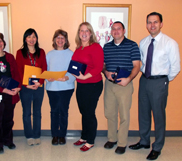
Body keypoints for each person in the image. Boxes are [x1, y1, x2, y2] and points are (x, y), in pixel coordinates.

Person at [129, 12, 180, 160]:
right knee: (143, 113)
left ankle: (157, 147)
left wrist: (163, 80)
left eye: (155, 22)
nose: (152, 25)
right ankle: (144, 141)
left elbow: (176, 67)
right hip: (144, 80)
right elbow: (142, 63)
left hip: (159, 82)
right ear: (146, 25)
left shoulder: (170, 43)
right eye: (149, 22)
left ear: (161, 24)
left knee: (158, 116)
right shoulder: (143, 42)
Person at [102, 21, 140, 154]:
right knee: (109, 113)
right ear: (111, 32)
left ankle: (122, 142)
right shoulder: (106, 47)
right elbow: (103, 65)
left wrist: (128, 79)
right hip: (109, 85)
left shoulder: (132, 45)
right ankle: (112, 139)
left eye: (119, 29)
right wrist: (106, 72)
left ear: (124, 31)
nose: (116, 31)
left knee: (124, 115)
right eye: (113, 29)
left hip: (124, 85)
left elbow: (136, 66)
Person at [72, 22, 104, 152]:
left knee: (89, 113)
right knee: (83, 112)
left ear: (90, 33)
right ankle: (84, 136)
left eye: (86, 30)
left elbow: (98, 67)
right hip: (81, 84)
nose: (84, 33)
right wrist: (74, 73)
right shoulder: (78, 48)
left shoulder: (96, 47)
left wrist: (85, 77)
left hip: (93, 84)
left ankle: (90, 140)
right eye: (81, 31)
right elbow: (75, 64)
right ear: (79, 33)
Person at [16, 28, 47, 146]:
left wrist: (40, 82)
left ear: (37, 39)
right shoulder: (20, 53)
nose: (31, 39)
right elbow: (18, 70)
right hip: (25, 88)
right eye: (29, 37)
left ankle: (37, 134)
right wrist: (25, 84)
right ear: (25, 39)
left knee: (37, 112)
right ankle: (29, 135)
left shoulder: (42, 52)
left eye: (34, 37)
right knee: (27, 112)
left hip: (39, 86)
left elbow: (44, 68)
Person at [46, 29, 75, 145]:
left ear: (66, 40)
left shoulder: (71, 54)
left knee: (63, 111)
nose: (60, 40)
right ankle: (54, 135)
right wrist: (47, 77)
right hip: (52, 88)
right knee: (54, 112)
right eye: (58, 37)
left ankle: (62, 135)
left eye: (62, 38)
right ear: (54, 40)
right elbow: (45, 70)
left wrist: (67, 78)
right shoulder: (49, 54)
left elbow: (74, 71)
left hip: (66, 88)